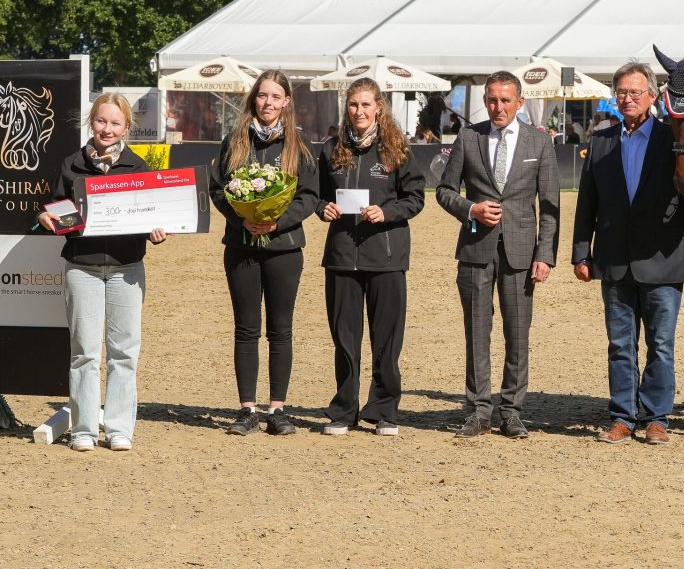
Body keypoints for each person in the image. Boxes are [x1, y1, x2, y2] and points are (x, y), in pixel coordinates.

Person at [573, 62, 684, 446]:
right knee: (620, 344)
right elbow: (587, 202)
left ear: (653, 96)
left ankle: (657, 417)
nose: (627, 99)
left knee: (661, 344)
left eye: (635, 92)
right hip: (613, 259)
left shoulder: (674, 138)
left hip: (663, 260)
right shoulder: (601, 140)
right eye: (622, 92)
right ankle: (623, 416)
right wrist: (581, 251)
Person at [37, 94, 168, 452]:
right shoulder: (71, 165)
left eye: (115, 123)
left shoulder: (138, 169)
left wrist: (156, 230)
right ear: (91, 122)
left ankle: (119, 428)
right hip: (82, 267)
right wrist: (47, 218)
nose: (106, 129)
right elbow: (56, 209)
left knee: (124, 352)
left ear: (127, 127)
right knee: (84, 352)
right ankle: (83, 428)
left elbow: (150, 217)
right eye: (101, 121)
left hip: (127, 268)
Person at [435, 71, 560, 439]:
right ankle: (477, 411)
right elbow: (444, 190)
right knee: (477, 331)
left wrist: (545, 254)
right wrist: (470, 209)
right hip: (475, 250)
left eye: (506, 100)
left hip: (522, 254)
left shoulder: (539, 143)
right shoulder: (469, 137)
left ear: (520, 103)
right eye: (492, 99)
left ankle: (512, 411)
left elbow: (550, 206)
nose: (498, 107)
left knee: (517, 334)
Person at [210, 70, 320, 437]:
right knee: (246, 329)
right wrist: (243, 220)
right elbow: (218, 190)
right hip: (241, 247)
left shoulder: (298, 147)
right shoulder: (234, 141)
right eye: (262, 96)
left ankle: (278, 409)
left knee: (280, 330)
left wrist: (277, 221)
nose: (268, 103)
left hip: (284, 248)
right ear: (253, 99)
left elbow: (309, 196)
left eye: (275, 97)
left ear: (287, 102)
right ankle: (247, 409)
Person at [317, 78, 426, 436]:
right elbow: (313, 194)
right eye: (353, 105)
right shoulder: (331, 148)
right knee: (345, 337)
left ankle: (383, 410)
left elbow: (415, 197)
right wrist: (323, 208)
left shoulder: (397, 149)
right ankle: (344, 409)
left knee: (386, 339)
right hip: (341, 257)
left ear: (378, 107)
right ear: (346, 108)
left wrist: (387, 212)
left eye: (365, 105)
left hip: (387, 256)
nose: (359, 112)